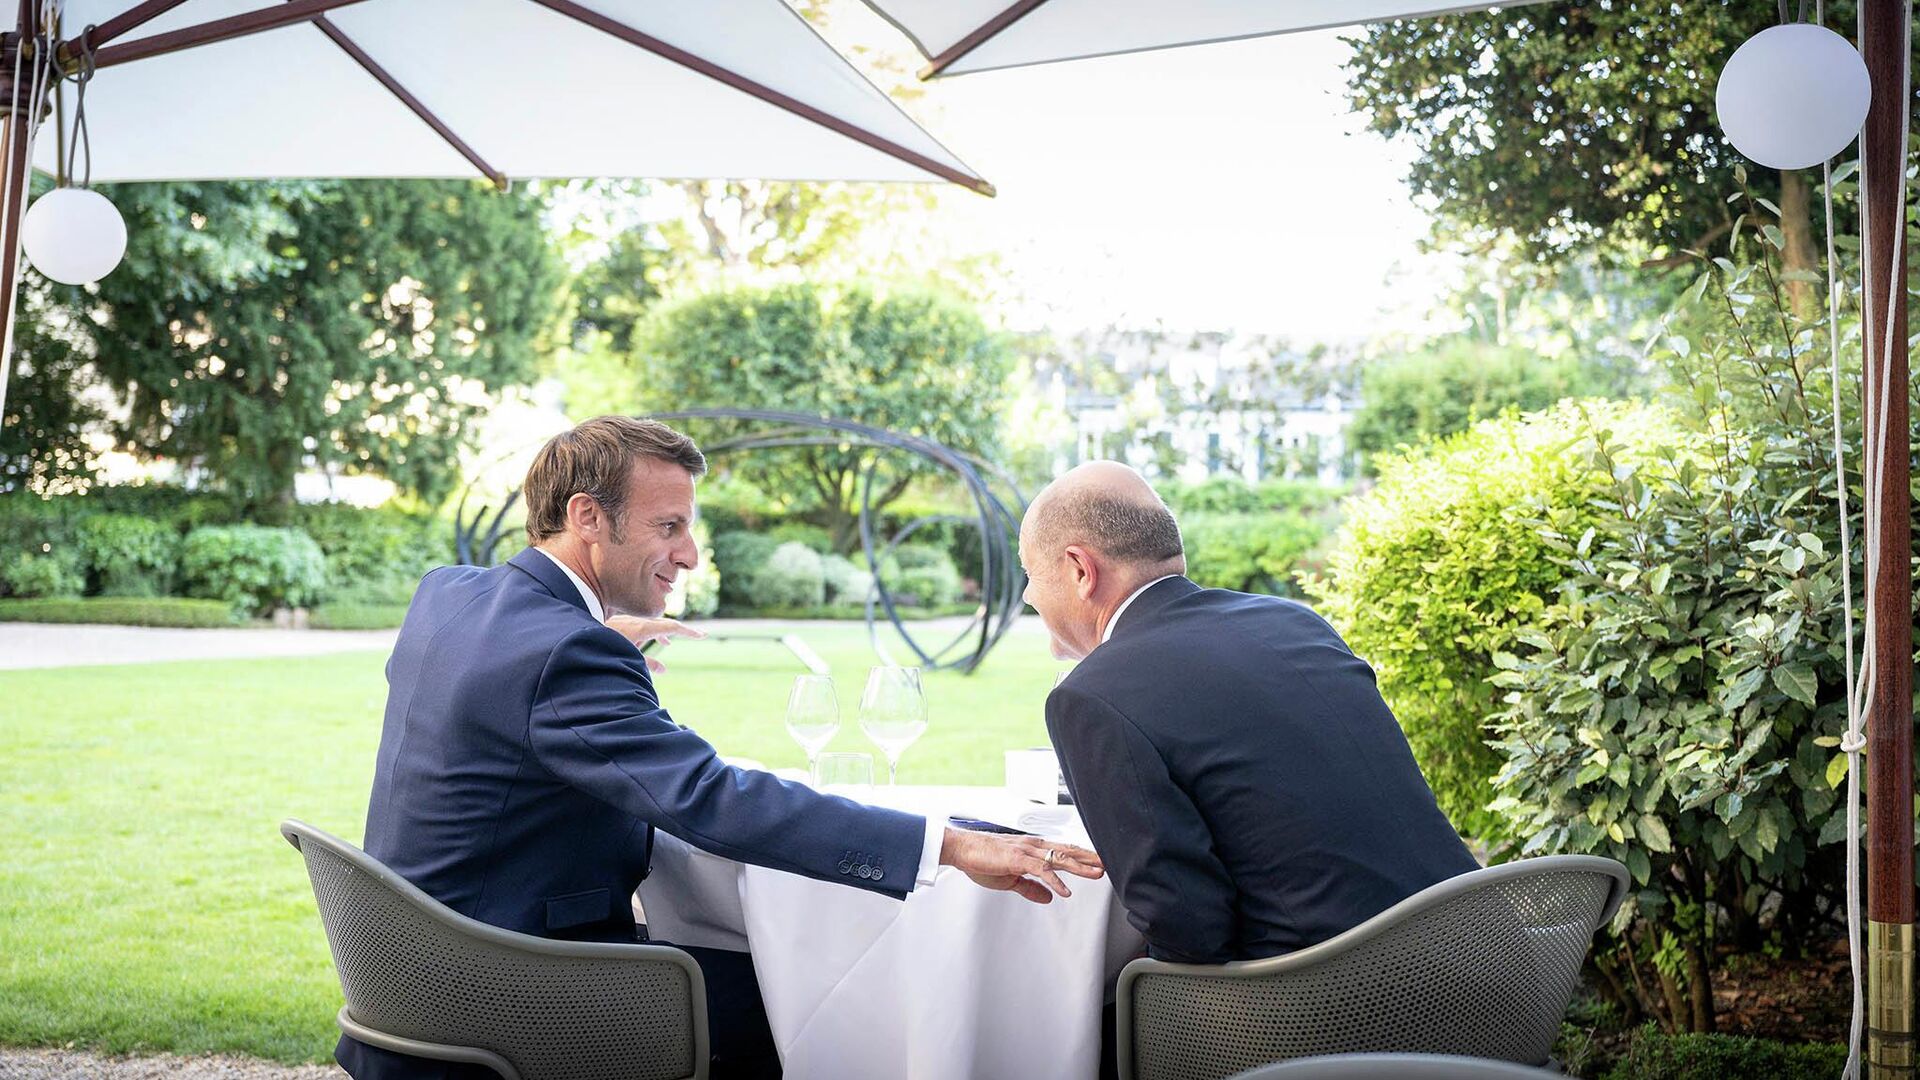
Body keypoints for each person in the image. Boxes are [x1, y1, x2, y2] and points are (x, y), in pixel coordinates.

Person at [341, 417, 1102, 1080]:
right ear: (587, 517)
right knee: (817, 1005)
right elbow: (711, 799)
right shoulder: (565, 654)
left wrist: (592, 636)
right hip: (507, 989)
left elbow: (511, 689)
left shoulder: (450, 595)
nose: (691, 555)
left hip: (414, 977)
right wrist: (951, 846)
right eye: (669, 526)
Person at [1022, 460, 1476, 967]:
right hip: (1487, 952)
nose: (1028, 595)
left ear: (1080, 570)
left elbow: (1187, 926)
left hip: (1332, 990)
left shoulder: (1093, 694)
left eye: (1030, 574)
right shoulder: (1294, 620)